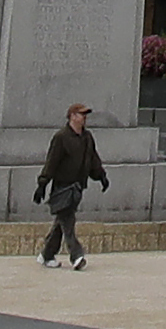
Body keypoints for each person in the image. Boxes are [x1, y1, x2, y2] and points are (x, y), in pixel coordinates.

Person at [37, 103, 106, 270]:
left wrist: (101, 176)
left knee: (61, 223)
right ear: (72, 116)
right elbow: (51, 162)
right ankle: (77, 255)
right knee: (68, 222)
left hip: (77, 187)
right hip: (62, 187)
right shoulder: (61, 137)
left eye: (85, 115)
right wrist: (43, 184)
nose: (84, 118)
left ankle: (47, 254)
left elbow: (93, 160)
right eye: (81, 114)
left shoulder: (87, 137)